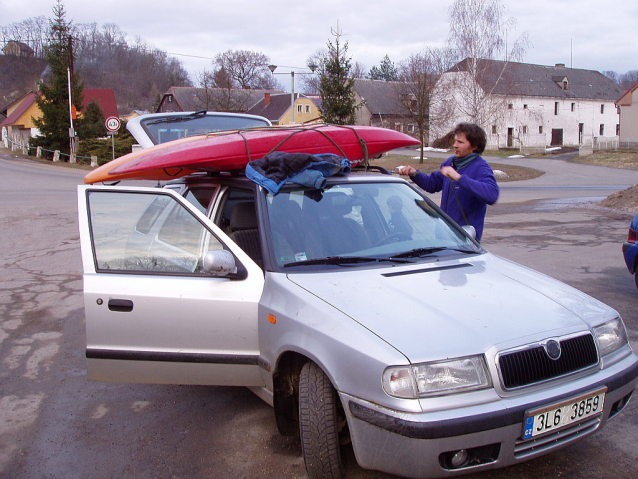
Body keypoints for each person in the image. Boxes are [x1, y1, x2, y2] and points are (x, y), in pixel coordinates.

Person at [398, 123, 499, 241]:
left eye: (460, 142)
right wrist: (415, 174)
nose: (455, 145)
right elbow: (432, 184)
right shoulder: (450, 162)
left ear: (474, 146)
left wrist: (459, 178)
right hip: (444, 234)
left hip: (465, 239)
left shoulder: (481, 168)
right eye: (455, 141)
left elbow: (492, 195)